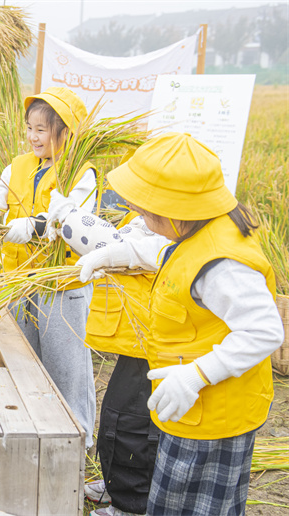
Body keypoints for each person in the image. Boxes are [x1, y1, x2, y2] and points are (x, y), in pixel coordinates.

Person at [76, 132, 284, 516]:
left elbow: (265, 331)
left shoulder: (223, 264)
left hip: (216, 414)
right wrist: (112, 255)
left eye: (147, 210)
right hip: (190, 407)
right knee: (171, 502)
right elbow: (168, 255)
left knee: (199, 507)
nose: (140, 217)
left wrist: (196, 375)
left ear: (176, 208)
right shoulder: (197, 232)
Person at [0, 87, 98, 448]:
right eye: (29, 128)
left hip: (61, 290)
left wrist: (31, 227)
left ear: (65, 131)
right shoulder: (20, 164)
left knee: (66, 372)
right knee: (24, 365)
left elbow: (72, 221)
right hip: (19, 285)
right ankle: (36, 441)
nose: (32, 137)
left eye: (41, 129)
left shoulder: (81, 173)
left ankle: (77, 450)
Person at [48, 190, 170, 516]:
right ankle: (117, 482)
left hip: (157, 346)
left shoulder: (171, 237)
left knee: (134, 422)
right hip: (137, 342)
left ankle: (130, 504)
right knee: (117, 413)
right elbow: (121, 238)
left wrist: (70, 218)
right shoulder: (146, 223)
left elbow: (123, 247)